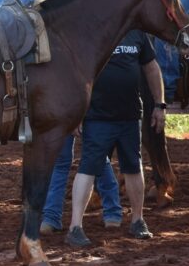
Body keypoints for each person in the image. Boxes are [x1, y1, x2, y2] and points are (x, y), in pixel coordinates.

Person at [65, 17, 167, 246]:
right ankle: (75, 227)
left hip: (129, 116)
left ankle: (138, 220)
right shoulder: (91, 33)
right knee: (88, 168)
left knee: (133, 166)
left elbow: (151, 67)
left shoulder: (137, 33)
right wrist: (76, 112)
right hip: (97, 117)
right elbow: (77, 74)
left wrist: (160, 104)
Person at [39, 0, 123, 234]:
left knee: (96, 160)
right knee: (62, 162)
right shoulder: (46, 34)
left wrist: (81, 113)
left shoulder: (85, 35)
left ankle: (112, 211)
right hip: (59, 109)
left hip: (84, 107)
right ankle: (51, 216)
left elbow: (93, 75)